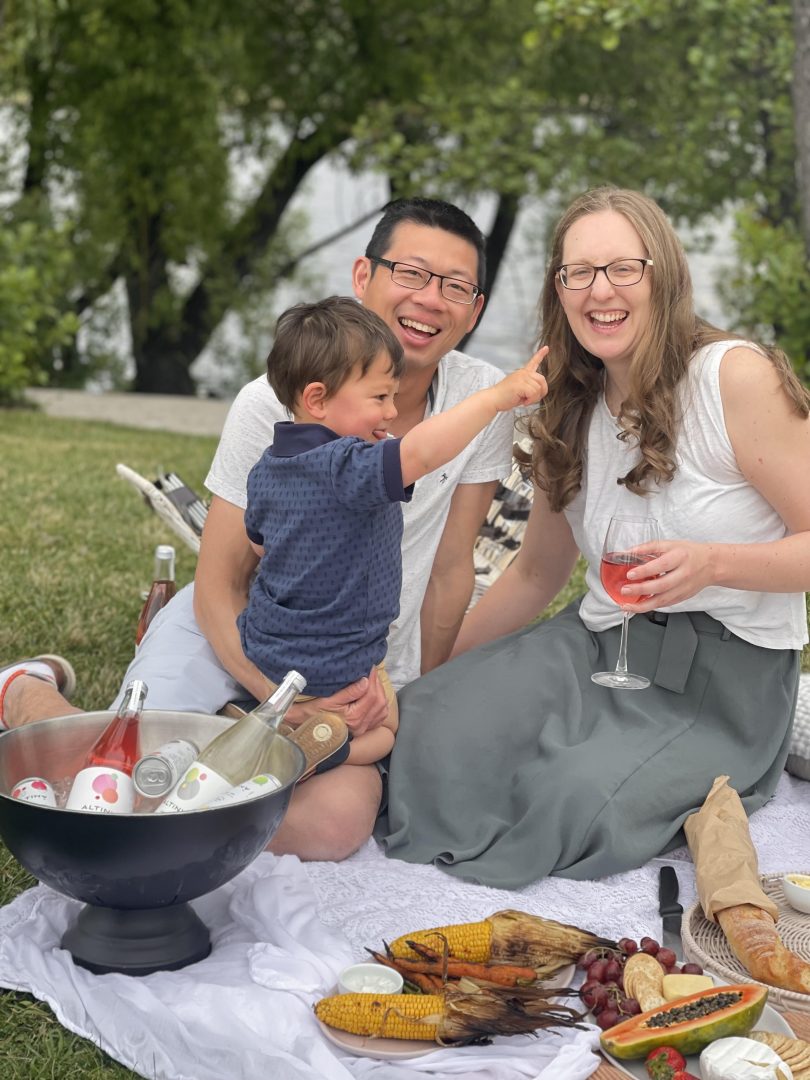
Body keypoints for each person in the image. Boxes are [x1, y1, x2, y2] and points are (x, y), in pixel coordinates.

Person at [2, 197, 517, 860]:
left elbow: (450, 573)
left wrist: (409, 695)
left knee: (330, 826)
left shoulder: (480, 402)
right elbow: (218, 585)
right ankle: (23, 695)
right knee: (129, 780)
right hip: (236, 630)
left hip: (351, 660)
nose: (430, 300)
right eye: (412, 273)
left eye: (456, 286)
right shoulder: (271, 404)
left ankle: (224, 735)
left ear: (474, 310)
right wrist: (283, 701)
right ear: (364, 278)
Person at [376, 185, 810, 889]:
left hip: (720, 686)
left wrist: (715, 564)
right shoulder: (569, 404)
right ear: (560, 288)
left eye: (622, 269)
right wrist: (435, 676)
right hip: (598, 646)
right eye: (578, 272)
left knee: (568, 799)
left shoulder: (735, 377)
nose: (599, 291)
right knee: (428, 723)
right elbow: (534, 575)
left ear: (662, 274)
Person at [239, 297, 546, 766]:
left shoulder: (268, 467)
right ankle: (310, 754)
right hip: (339, 665)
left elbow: (259, 542)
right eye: (380, 398)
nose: (390, 413)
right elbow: (421, 453)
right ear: (317, 399)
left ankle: (273, 725)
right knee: (387, 733)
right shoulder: (348, 465)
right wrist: (496, 397)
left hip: (269, 649)